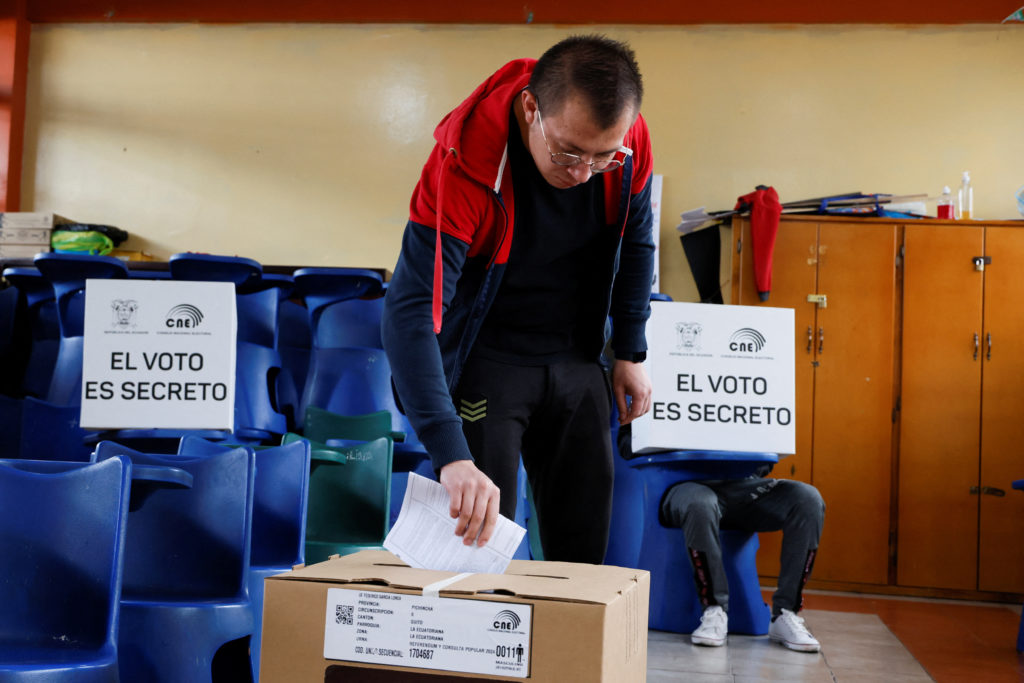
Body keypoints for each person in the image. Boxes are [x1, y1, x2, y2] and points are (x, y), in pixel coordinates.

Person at [381, 34, 655, 562]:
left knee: (581, 561)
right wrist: (450, 454)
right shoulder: (462, 163)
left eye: (603, 158)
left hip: (577, 357)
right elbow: (411, 309)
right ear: (531, 107)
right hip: (489, 362)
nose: (581, 173)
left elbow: (637, 239)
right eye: (567, 151)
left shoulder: (626, 139)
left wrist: (629, 350)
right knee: (473, 560)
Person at [659, 471, 826, 651]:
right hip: (686, 484)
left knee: (808, 499)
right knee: (701, 504)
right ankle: (714, 611)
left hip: (747, 487)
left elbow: (765, 460)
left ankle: (785, 613)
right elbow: (627, 447)